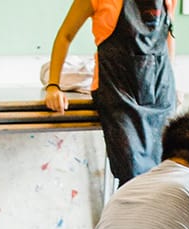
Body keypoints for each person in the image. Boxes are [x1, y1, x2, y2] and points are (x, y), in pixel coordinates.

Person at [43, 0, 176, 187]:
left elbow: (167, 35)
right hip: (117, 94)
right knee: (132, 176)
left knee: (165, 175)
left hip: (160, 95)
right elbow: (65, 35)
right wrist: (53, 86)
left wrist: (171, 82)